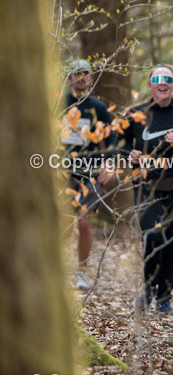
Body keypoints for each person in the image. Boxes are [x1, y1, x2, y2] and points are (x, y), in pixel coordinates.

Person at [118, 64, 173, 313]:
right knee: (152, 236)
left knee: (171, 241)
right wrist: (129, 154)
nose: (162, 82)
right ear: (150, 85)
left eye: (168, 79)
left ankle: (164, 296)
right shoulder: (136, 114)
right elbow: (118, 144)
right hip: (146, 186)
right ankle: (147, 288)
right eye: (157, 78)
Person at [61, 59, 115, 290]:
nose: (82, 77)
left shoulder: (98, 108)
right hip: (61, 172)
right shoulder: (59, 103)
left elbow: (112, 137)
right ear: (69, 78)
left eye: (86, 74)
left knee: (83, 224)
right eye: (77, 74)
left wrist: (110, 163)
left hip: (90, 173)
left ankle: (81, 270)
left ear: (91, 78)